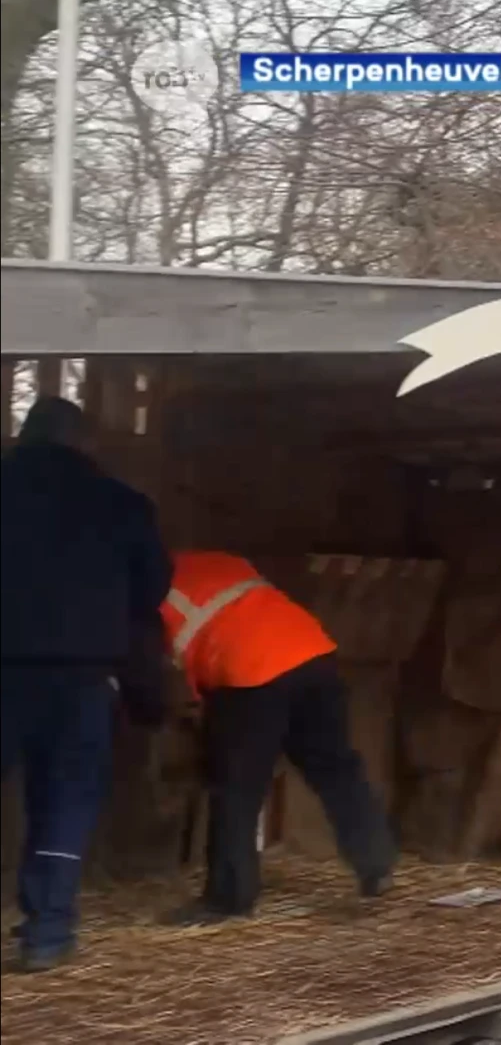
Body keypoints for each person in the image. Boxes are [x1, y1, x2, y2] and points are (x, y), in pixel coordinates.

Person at [2, 397, 174, 971]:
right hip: (82, 678)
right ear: (84, 442)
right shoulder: (121, 504)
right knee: (65, 802)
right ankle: (46, 934)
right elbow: (151, 589)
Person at [158, 550, 395, 925]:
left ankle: (229, 897)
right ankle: (376, 862)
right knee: (334, 766)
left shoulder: (146, 592)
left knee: (237, 787)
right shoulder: (216, 559)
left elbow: (175, 668)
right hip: (313, 653)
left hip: (249, 674)